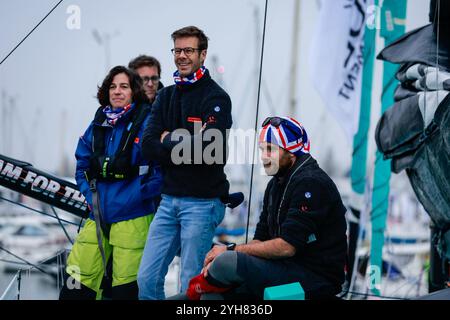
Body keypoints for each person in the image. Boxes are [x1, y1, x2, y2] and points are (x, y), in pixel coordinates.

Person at [173, 116, 348, 300]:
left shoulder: (311, 183)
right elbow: (260, 240)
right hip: (281, 268)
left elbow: (287, 247)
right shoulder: (274, 185)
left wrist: (230, 251)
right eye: (262, 150)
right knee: (207, 295)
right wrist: (225, 252)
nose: (264, 156)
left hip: (314, 278)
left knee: (225, 261)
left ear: (291, 153)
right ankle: (205, 288)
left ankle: (206, 284)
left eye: (270, 150)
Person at [138, 26, 232, 300]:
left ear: (203, 54)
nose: (182, 56)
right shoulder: (166, 96)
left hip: (203, 202)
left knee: (190, 285)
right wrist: (187, 141)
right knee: (146, 279)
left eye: (188, 50)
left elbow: (210, 148)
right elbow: (147, 146)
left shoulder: (216, 98)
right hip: (168, 200)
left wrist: (168, 139)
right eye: (177, 50)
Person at [59, 66, 162, 300]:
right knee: (75, 285)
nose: (117, 91)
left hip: (133, 218)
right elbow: (82, 167)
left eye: (124, 86)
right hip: (97, 216)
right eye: (113, 86)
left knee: (125, 291)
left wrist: (137, 194)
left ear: (134, 91)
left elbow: (160, 171)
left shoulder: (147, 124)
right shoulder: (97, 124)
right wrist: (90, 195)